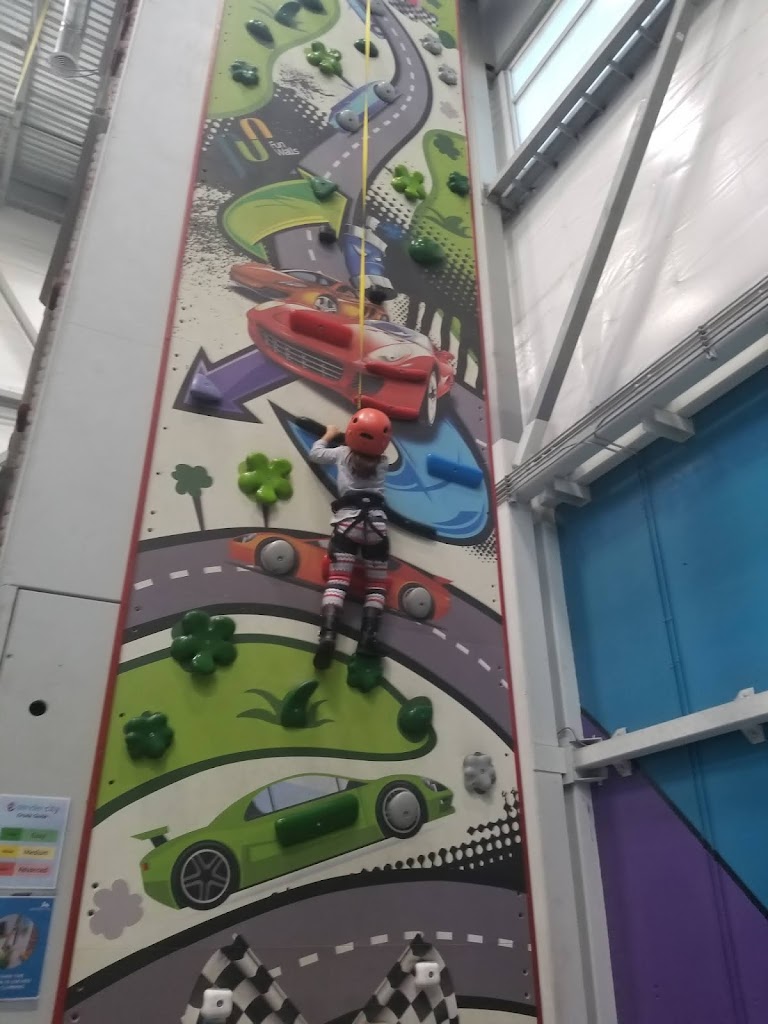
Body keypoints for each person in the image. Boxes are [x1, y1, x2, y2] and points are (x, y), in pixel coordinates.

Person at [309, 408, 392, 669]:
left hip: (347, 524)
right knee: (376, 587)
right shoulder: (383, 462)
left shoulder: (342, 453)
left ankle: (328, 635)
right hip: (376, 526)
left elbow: (315, 454)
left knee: (337, 583)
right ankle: (367, 639)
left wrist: (329, 434)